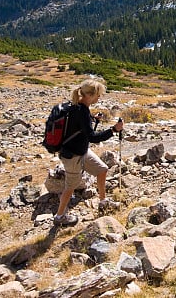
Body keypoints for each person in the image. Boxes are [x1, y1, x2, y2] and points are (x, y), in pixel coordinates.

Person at [53, 78, 124, 227]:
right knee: (70, 187)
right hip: (73, 155)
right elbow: (92, 137)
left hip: (81, 150)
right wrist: (113, 130)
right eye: (98, 95)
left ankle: (103, 201)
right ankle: (59, 217)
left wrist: (94, 120)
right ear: (90, 95)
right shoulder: (81, 111)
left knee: (102, 169)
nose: (99, 98)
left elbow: (81, 129)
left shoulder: (77, 107)